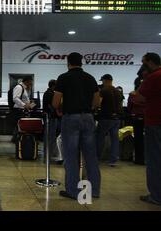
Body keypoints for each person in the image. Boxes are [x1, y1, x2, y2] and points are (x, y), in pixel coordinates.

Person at [52, 52, 101, 200]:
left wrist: (60, 108)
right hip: (88, 118)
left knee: (71, 156)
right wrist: (89, 110)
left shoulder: (63, 78)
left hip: (71, 118)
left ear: (68, 62)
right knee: (91, 156)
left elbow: (55, 102)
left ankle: (73, 191)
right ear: (81, 62)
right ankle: (94, 191)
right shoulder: (90, 78)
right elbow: (97, 101)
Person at [136, 53, 161, 206]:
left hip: (155, 122)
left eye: (143, 62)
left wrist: (142, 82)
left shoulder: (153, 77)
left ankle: (156, 195)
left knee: (154, 159)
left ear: (150, 63)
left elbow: (139, 97)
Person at [96, 74, 124, 167]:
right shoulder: (118, 91)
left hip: (105, 118)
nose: (102, 83)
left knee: (100, 138)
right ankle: (113, 160)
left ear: (105, 80)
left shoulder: (103, 91)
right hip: (116, 118)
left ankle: (97, 158)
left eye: (102, 81)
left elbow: (98, 104)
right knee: (115, 140)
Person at [9, 76, 34, 141]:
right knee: (19, 128)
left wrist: (30, 104)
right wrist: (24, 105)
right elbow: (15, 98)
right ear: (27, 81)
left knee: (19, 128)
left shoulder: (23, 88)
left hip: (21, 111)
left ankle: (18, 142)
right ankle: (18, 143)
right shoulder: (19, 87)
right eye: (30, 82)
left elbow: (23, 99)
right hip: (19, 111)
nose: (31, 84)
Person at [128, 77, 146, 165]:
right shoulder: (148, 94)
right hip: (148, 118)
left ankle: (139, 159)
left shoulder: (133, 94)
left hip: (136, 118)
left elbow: (129, 107)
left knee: (138, 139)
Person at [43, 79, 61, 160]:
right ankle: (50, 153)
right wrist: (58, 113)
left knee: (49, 135)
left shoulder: (47, 93)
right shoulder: (51, 94)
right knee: (51, 136)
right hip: (51, 117)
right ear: (53, 85)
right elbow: (53, 106)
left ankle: (48, 152)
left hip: (49, 117)